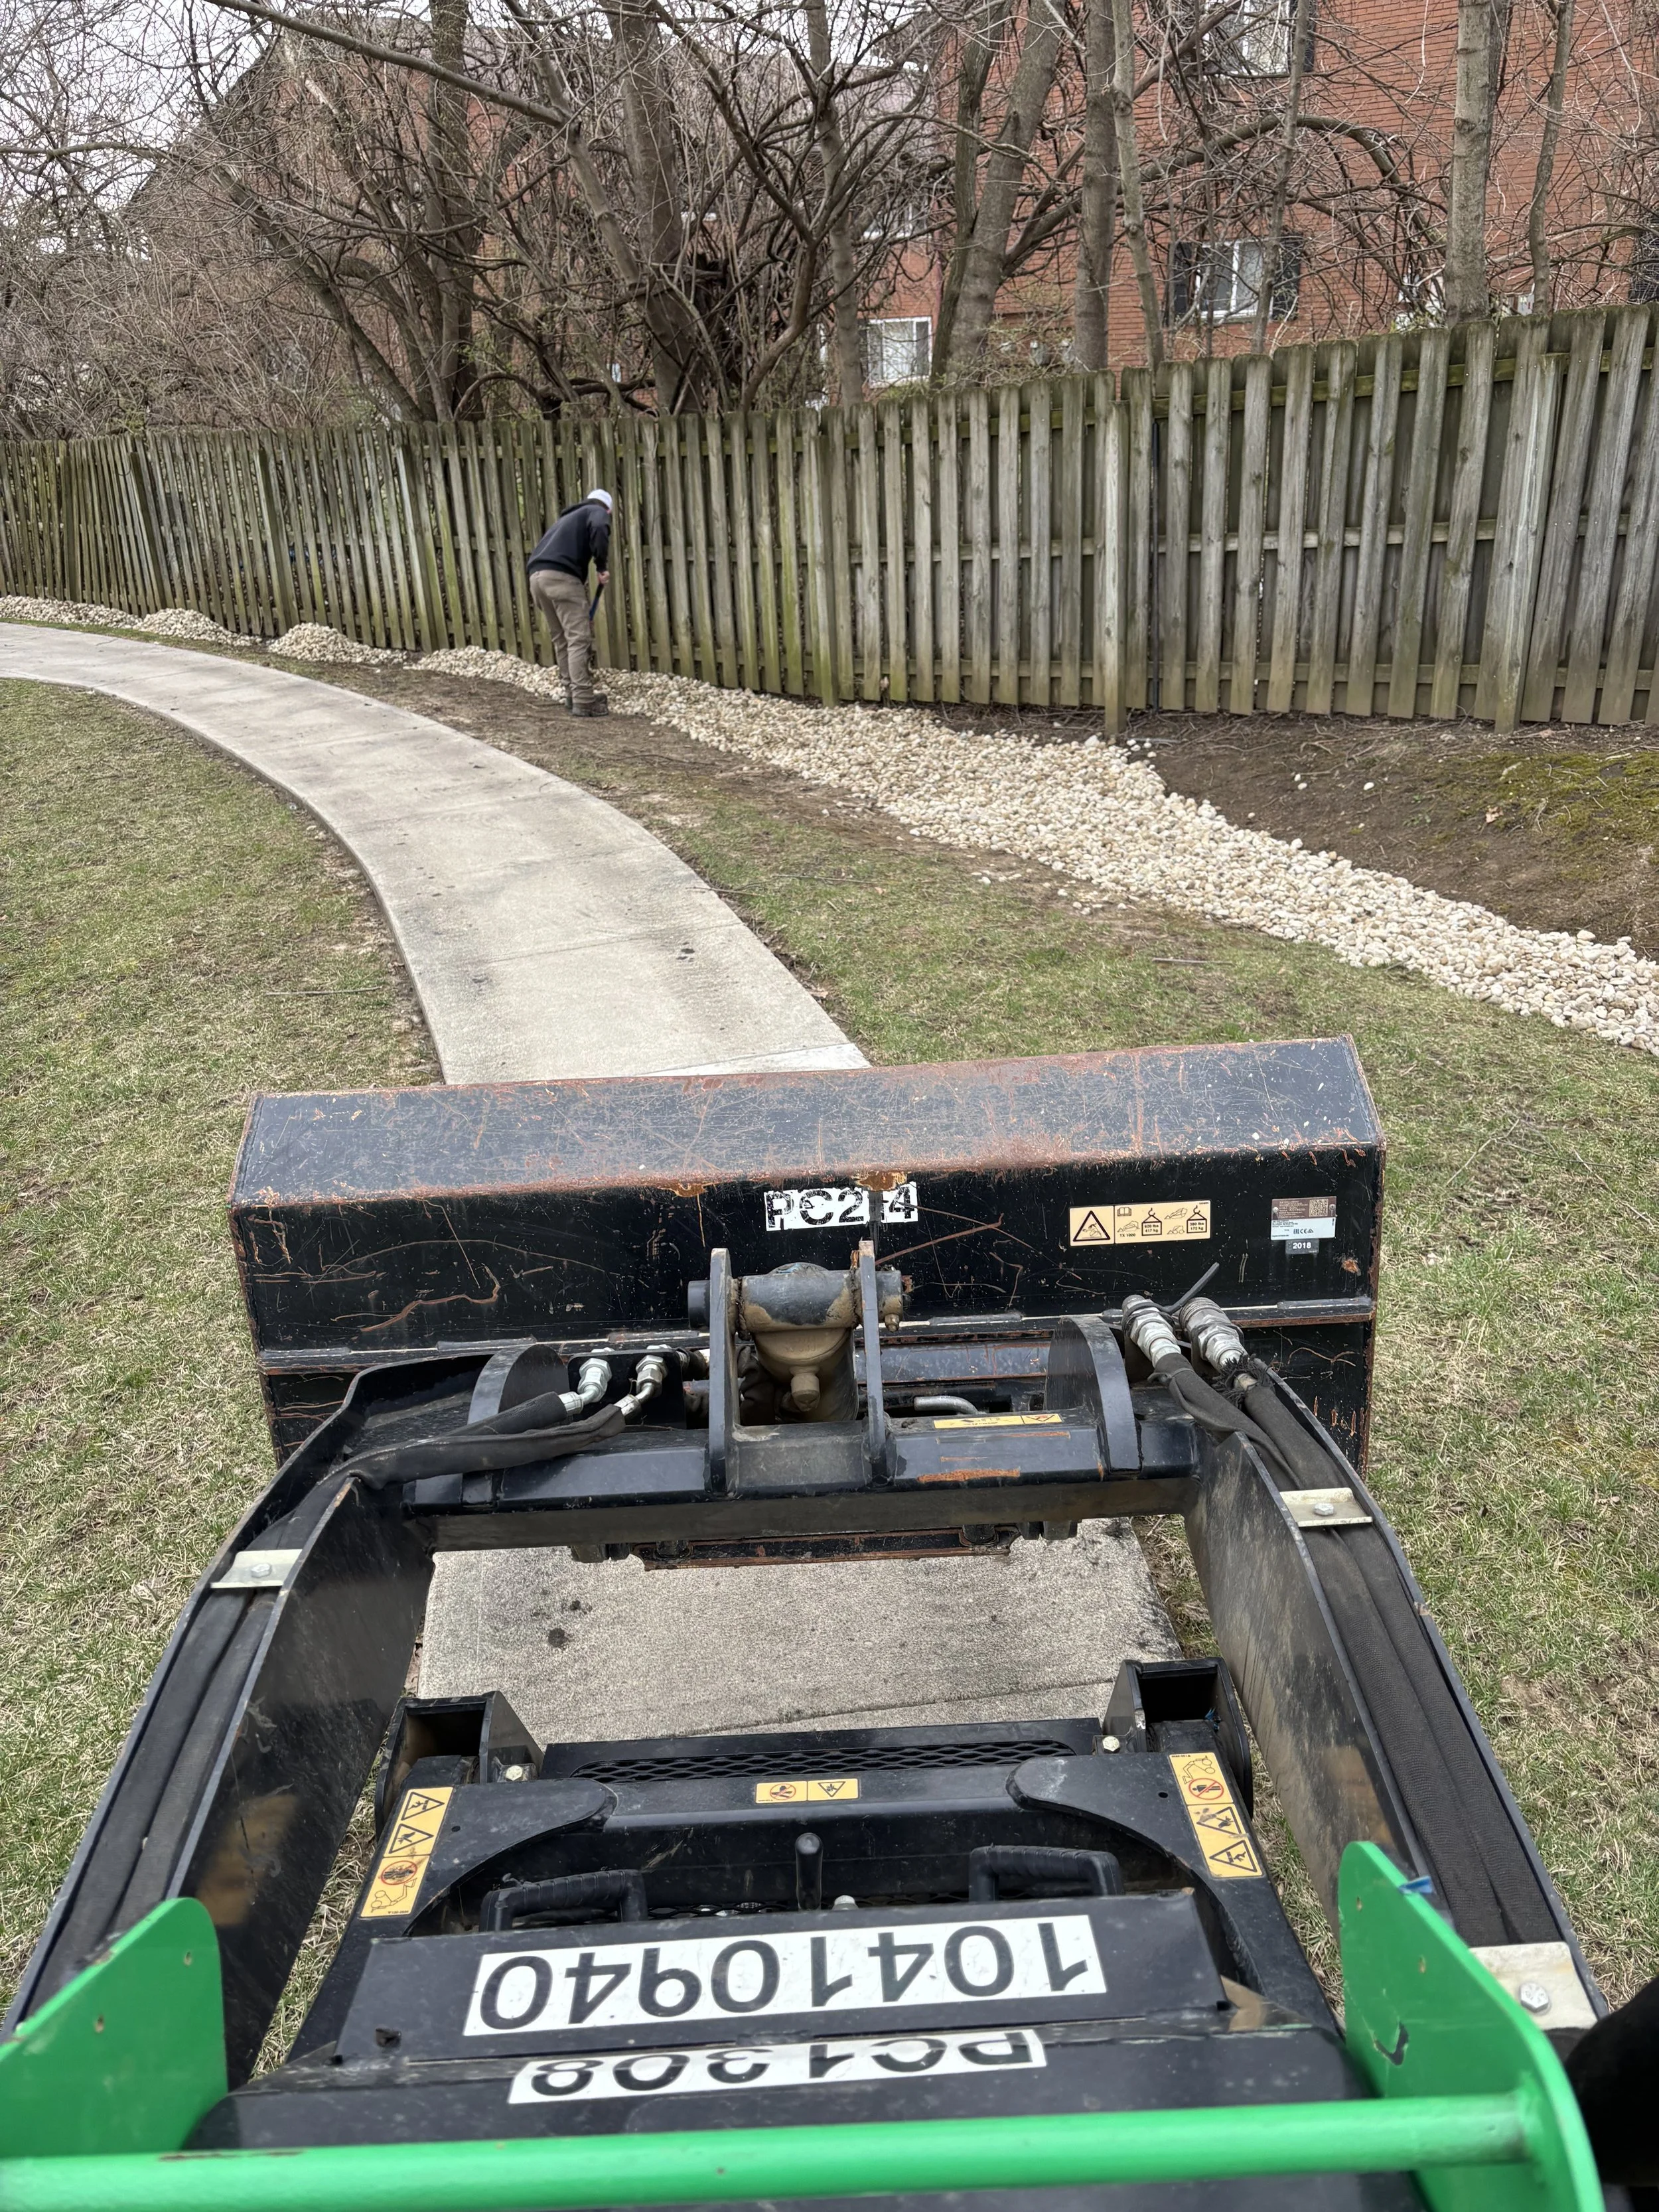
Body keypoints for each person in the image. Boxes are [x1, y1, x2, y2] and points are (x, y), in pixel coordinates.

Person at [527, 486, 613, 716]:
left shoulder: (567, 519)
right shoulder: (597, 511)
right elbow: (600, 527)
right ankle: (584, 700)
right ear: (608, 508)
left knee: (562, 638)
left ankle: (571, 694)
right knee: (578, 638)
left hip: (536, 577)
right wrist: (601, 566)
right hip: (561, 578)